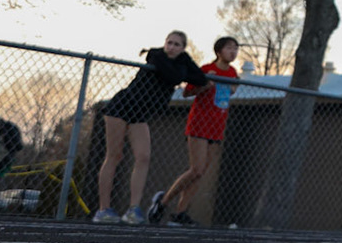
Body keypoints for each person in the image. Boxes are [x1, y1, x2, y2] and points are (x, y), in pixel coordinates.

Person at [95, 31, 208, 225]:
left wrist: (184, 65)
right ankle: (103, 209)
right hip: (121, 107)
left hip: (140, 114)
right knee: (114, 155)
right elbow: (173, 77)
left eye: (177, 45)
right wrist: (183, 71)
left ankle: (133, 209)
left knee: (143, 157)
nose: (171, 47)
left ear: (183, 48)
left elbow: (200, 79)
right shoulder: (156, 55)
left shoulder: (181, 61)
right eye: (169, 43)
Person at [150, 35, 239, 226]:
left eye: (235, 49)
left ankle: (180, 212)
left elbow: (231, 90)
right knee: (196, 169)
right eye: (229, 48)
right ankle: (163, 202)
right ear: (219, 51)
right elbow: (187, 91)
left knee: (201, 173)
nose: (233, 52)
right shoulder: (207, 70)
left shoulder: (233, 72)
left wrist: (233, 87)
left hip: (217, 126)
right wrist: (204, 86)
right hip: (199, 123)